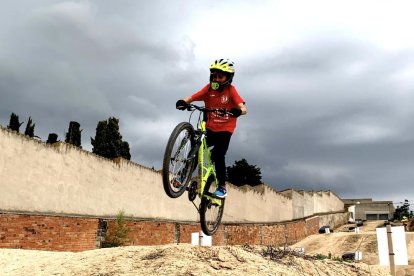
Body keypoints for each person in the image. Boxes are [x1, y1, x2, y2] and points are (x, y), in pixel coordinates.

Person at [175, 59, 247, 198]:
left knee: (219, 155)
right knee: (196, 149)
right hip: (210, 128)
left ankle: (222, 186)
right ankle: (182, 177)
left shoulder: (231, 90)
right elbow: (192, 97)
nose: (216, 79)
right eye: (214, 76)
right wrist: (184, 102)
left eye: (220, 77)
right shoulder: (209, 89)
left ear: (228, 78)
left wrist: (239, 111)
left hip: (225, 130)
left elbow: (243, 108)